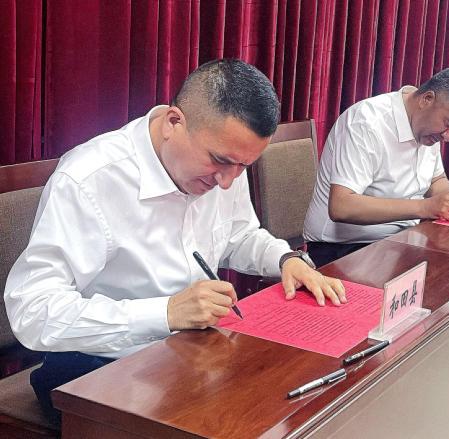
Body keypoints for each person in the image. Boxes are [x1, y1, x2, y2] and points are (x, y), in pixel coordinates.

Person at [3, 58, 345, 425]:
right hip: (96, 366)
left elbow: (239, 235)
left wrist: (285, 259)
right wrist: (165, 313)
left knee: (295, 401)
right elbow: (33, 310)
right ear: (173, 122)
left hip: (191, 353)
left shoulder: (226, 166)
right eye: (220, 161)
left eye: (243, 166)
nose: (227, 182)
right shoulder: (90, 180)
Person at [303, 65, 449, 266]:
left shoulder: (429, 126)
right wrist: (425, 207)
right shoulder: (366, 123)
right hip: (343, 248)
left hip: (401, 240)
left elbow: (436, 180)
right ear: (427, 99)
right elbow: (342, 206)